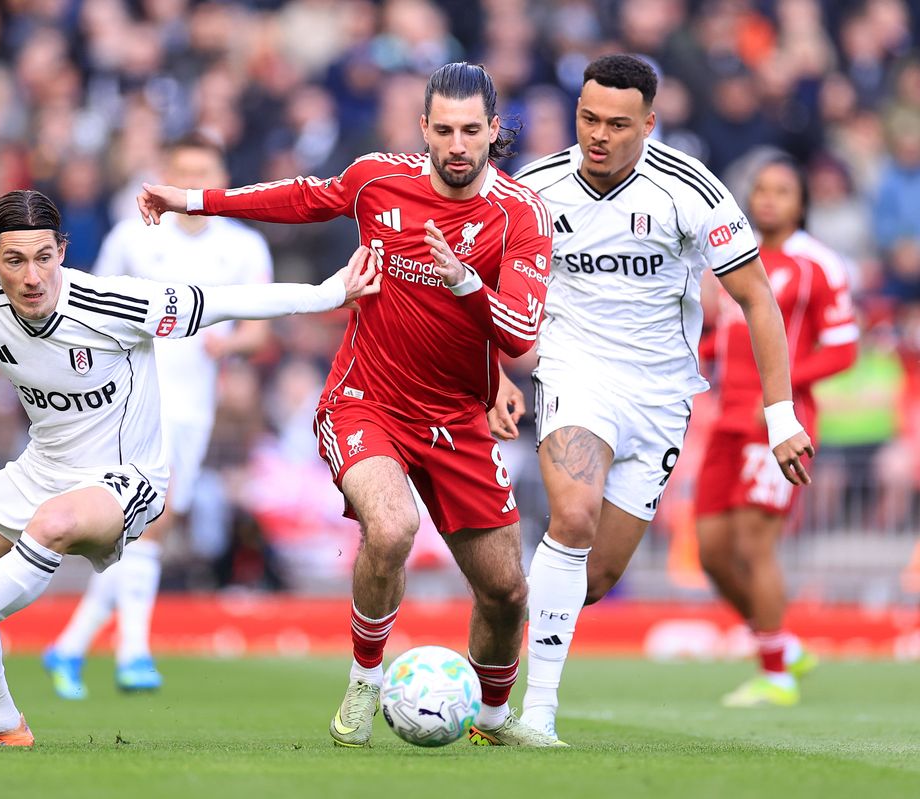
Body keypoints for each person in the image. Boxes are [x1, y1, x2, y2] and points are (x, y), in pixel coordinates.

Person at [0, 189, 381, 746]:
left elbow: (225, 301)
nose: (32, 276)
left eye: (44, 257)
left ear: (62, 250)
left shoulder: (113, 303)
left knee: (52, 525)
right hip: (42, 466)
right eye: (14, 260)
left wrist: (326, 293)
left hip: (127, 475)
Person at [138, 62, 555, 748]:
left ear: (494, 132)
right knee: (390, 528)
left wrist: (463, 285)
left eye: (471, 131)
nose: (456, 144)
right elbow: (300, 197)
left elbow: (520, 333)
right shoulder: (377, 178)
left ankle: (492, 718)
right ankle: (364, 683)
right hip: (367, 401)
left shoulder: (518, 214)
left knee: (507, 589)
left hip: (458, 419)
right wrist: (191, 199)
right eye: (443, 129)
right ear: (423, 128)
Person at [500, 55, 814, 745]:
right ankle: (533, 714)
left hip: (662, 395)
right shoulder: (535, 188)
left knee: (600, 572)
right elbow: (493, 287)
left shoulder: (690, 189)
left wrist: (781, 417)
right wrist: (494, 372)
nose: (598, 135)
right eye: (587, 118)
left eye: (617, 123)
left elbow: (757, 299)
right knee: (572, 517)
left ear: (649, 122)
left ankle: (495, 638)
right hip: (575, 371)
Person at [42, 135, 274, 697]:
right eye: (184, 170)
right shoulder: (132, 236)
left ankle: (69, 648)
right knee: (151, 520)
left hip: (196, 404)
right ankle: (133, 654)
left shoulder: (244, 246)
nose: (194, 180)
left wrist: (233, 346)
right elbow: (86, 306)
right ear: (164, 175)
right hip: (133, 399)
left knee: (145, 527)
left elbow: (258, 328)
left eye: (205, 171)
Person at [696, 155, 858, 707]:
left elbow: (843, 348)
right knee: (713, 553)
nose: (767, 200)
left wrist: (779, 389)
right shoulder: (734, 259)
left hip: (777, 424)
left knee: (753, 543)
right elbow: (725, 338)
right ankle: (783, 645)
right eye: (759, 190)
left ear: (801, 203)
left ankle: (776, 676)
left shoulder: (818, 265)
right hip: (726, 419)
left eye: (781, 191)